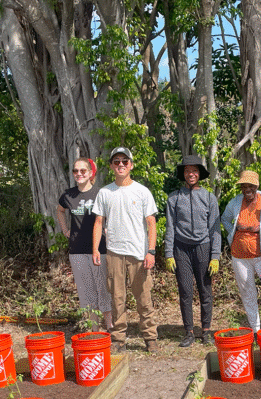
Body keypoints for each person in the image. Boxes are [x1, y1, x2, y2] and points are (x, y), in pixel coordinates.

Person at [92, 147, 159, 352]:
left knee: (144, 298)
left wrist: (151, 251)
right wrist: (96, 249)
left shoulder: (142, 191)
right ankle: (119, 339)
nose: (120, 165)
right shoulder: (104, 192)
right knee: (117, 298)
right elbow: (98, 222)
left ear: (131, 165)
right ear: (111, 166)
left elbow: (151, 223)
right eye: (116, 162)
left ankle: (150, 338)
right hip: (113, 253)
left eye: (124, 161)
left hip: (138, 254)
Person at [220, 170, 261, 332]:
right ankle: (256, 329)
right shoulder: (236, 202)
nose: (246, 189)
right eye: (243, 186)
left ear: (256, 186)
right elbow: (224, 218)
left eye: (250, 186)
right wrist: (235, 232)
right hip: (240, 256)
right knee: (247, 292)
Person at [164, 155, 221, 347]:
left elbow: (215, 229)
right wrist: (169, 253)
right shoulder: (174, 197)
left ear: (200, 174)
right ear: (183, 174)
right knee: (186, 291)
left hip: (203, 248)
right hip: (181, 249)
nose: (191, 174)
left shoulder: (208, 197)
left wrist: (215, 256)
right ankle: (188, 331)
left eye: (194, 171)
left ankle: (205, 331)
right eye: (187, 170)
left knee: (205, 290)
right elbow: (170, 227)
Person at [57, 157, 113, 331]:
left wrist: (108, 230)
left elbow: (111, 214)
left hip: (99, 249)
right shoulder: (68, 195)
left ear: (90, 173)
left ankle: (110, 326)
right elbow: (59, 211)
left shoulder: (100, 193)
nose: (79, 174)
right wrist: (65, 229)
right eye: (76, 171)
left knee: (103, 288)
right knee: (86, 291)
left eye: (83, 171)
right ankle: (94, 329)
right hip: (77, 250)